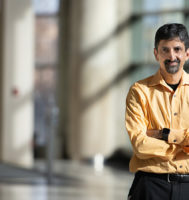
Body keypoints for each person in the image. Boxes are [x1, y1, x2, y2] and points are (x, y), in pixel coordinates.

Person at [125, 23, 189, 200]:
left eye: (177, 49)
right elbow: (140, 144)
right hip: (150, 186)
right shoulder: (139, 91)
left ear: (187, 53)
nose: (172, 56)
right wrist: (183, 144)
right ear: (156, 54)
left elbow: (147, 142)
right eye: (165, 50)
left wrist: (164, 134)